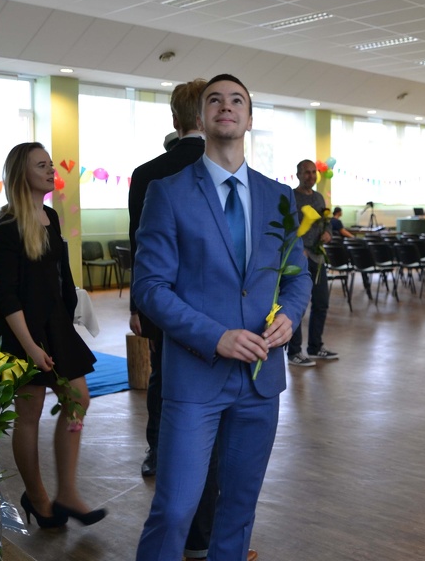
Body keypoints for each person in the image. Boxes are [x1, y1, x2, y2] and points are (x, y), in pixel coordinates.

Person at [133, 74, 311, 561]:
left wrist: (290, 317)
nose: (226, 106)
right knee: (175, 510)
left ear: (249, 119)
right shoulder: (168, 193)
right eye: (215, 100)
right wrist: (216, 337)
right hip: (195, 377)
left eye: (237, 101)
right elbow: (149, 288)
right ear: (201, 117)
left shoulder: (278, 196)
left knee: (239, 509)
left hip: (260, 378)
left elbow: (297, 277)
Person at [0, 142, 106, 529]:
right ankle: (37, 498)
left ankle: (67, 492)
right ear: (21, 174)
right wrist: (31, 348)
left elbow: (60, 275)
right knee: (30, 412)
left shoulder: (50, 216)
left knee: (78, 398)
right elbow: (6, 297)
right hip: (22, 331)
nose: (51, 170)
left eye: (51, 164)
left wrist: (68, 319)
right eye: (42, 165)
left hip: (55, 325)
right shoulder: (6, 229)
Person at [128, 79, 226, 560]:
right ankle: (204, 533)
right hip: (222, 315)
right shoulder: (225, 169)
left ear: (174, 119)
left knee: (167, 390)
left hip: (166, 309)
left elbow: (141, 247)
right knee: (216, 417)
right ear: (208, 116)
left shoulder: (147, 174)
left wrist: (139, 306)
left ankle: (161, 461)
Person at [286, 159, 339, 367]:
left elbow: (326, 222)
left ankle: (315, 347)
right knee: (297, 304)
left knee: (321, 302)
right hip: (298, 259)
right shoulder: (291, 196)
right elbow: (287, 227)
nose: (311, 176)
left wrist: (328, 233)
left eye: (313, 172)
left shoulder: (318, 197)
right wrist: (299, 249)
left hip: (317, 257)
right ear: (298, 175)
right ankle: (294, 351)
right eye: (306, 172)